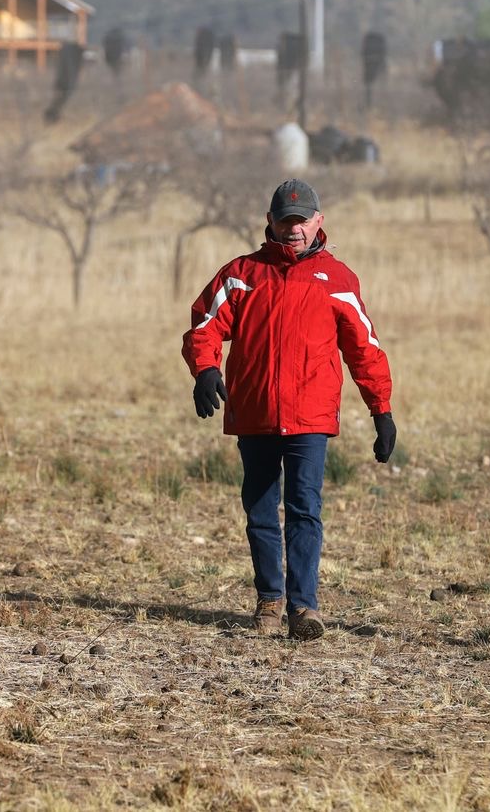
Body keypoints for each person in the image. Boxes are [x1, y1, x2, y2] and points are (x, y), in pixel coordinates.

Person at [183, 179, 395, 641]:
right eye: (286, 220)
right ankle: (269, 602)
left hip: (311, 417)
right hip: (255, 413)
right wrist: (205, 370)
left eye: (302, 221)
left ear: (318, 221)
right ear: (270, 222)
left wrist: (381, 410)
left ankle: (304, 607)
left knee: (305, 509)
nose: (294, 229)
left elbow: (365, 348)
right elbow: (203, 324)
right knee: (260, 510)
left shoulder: (337, 279)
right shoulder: (241, 273)